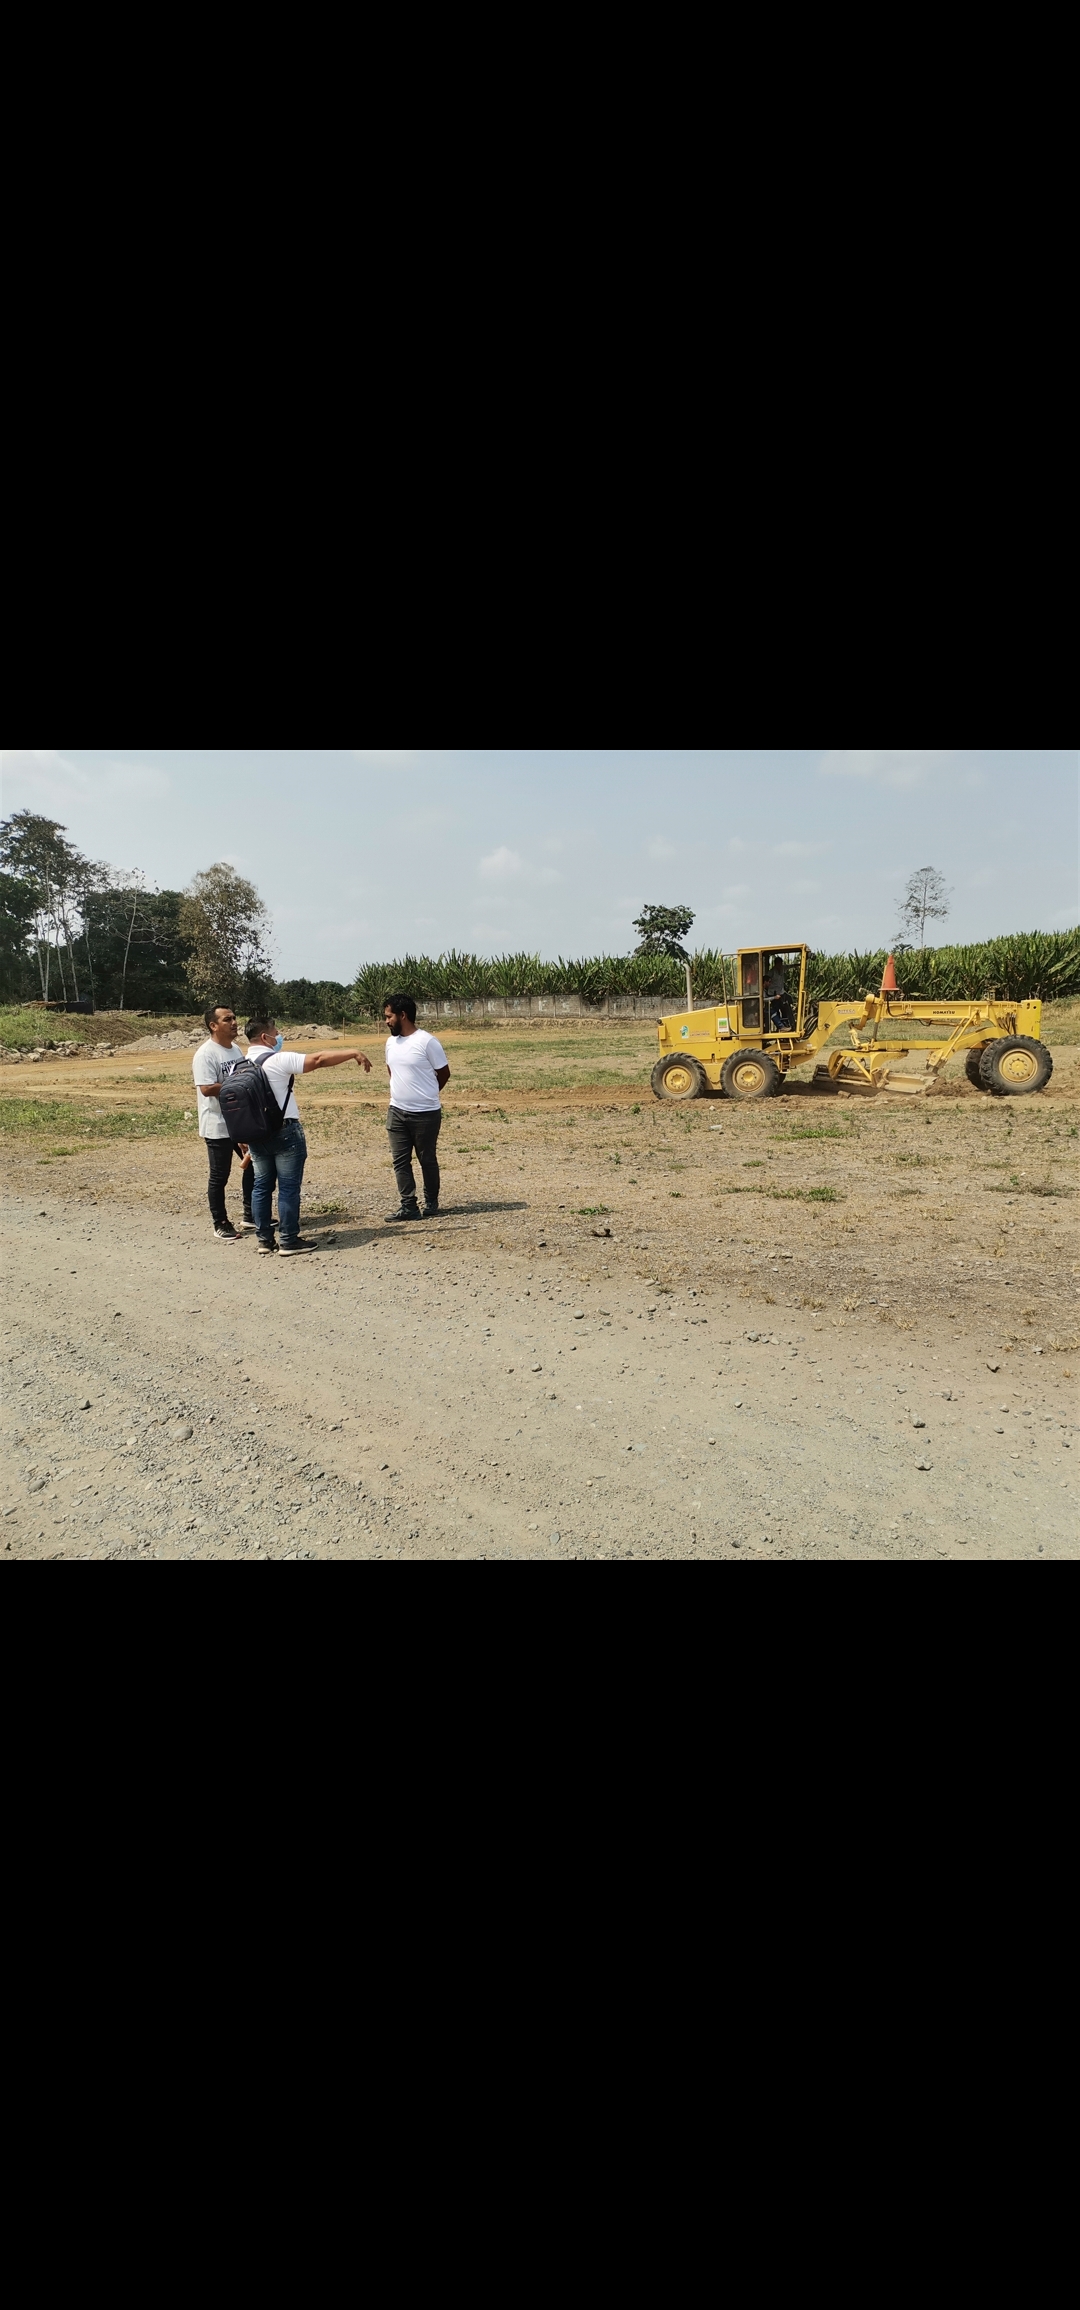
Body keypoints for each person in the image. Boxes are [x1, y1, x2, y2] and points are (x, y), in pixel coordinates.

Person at [244, 1016, 372, 1255]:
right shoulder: (277, 1060)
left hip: (256, 1134)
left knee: (261, 1186)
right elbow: (318, 1059)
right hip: (284, 1131)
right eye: (276, 1033)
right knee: (288, 1187)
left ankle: (264, 1241)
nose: (278, 1037)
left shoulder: (238, 1066)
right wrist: (353, 1052)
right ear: (264, 1037)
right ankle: (289, 1240)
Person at [382, 993, 450, 1221]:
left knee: (426, 1159)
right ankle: (408, 1205)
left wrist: (427, 1094)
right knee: (400, 1161)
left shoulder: (427, 1041)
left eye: (389, 1016)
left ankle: (431, 1201)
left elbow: (444, 1073)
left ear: (403, 1015)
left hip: (425, 1114)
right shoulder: (390, 1043)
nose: (386, 1021)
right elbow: (392, 1071)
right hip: (396, 1111)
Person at [192, 1003, 254, 1241]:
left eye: (234, 1018)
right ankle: (220, 1222)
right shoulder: (206, 1054)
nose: (234, 1023)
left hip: (238, 1121)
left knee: (254, 1166)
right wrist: (238, 1084)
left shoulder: (235, 1049)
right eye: (227, 1019)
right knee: (220, 1176)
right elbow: (207, 1088)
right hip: (217, 1124)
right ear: (213, 1025)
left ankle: (251, 1215)